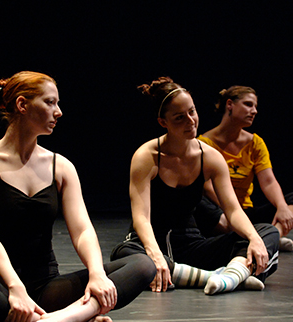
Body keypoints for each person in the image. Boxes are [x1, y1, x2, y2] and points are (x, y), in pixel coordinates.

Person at [0, 71, 156, 322]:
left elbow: (82, 230)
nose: (59, 112)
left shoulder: (61, 166)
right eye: (50, 102)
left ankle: (67, 319)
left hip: (46, 287)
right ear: (22, 105)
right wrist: (15, 288)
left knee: (142, 264)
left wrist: (97, 274)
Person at [110, 77, 279, 296]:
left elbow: (234, 210)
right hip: (149, 244)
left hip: (192, 245)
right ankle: (226, 277)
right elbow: (141, 218)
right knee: (125, 257)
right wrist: (155, 255)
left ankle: (221, 277)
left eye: (192, 112)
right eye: (180, 117)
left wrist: (253, 239)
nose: (190, 121)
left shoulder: (210, 157)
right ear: (164, 122)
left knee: (266, 233)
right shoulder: (147, 157)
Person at [197, 86, 293, 251]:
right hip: (221, 212)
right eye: (248, 104)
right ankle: (262, 238)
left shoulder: (255, 143)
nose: (254, 111)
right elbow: (207, 186)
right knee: (197, 202)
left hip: (246, 212)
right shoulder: (203, 143)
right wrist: (232, 209)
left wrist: (282, 207)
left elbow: (268, 181)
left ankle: (272, 236)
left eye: (255, 106)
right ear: (229, 104)